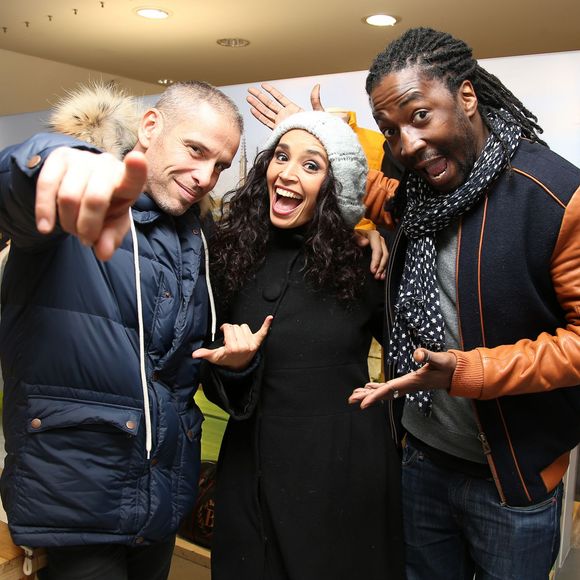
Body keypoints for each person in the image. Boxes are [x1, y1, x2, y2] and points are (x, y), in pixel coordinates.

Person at [248, 27, 580, 580]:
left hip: (511, 481)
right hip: (420, 460)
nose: (407, 144)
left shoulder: (554, 197)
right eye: (391, 130)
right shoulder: (418, 193)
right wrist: (324, 139)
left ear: (467, 96)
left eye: (420, 116)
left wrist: (468, 371)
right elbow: (370, 189)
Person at [0, 80, 242, 580]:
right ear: (150, 126)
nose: (205, 177)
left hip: (158, 497)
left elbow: (174, 375)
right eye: (195, 151)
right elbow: (17, 193)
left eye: (219, 165)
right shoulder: (82, 200)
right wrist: (56, 160)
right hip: (76, 499)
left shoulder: (196, 236)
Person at [192, 111, 404, 580]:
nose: (287, 173)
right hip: (251, 470)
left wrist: (378, 235)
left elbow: (409, 361)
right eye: (281, 156)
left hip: (343, 473)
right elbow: (206, 369)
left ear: (337, 187)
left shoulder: (365, 262)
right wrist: (235, 366)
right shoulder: (229, 251)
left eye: (312, 165)